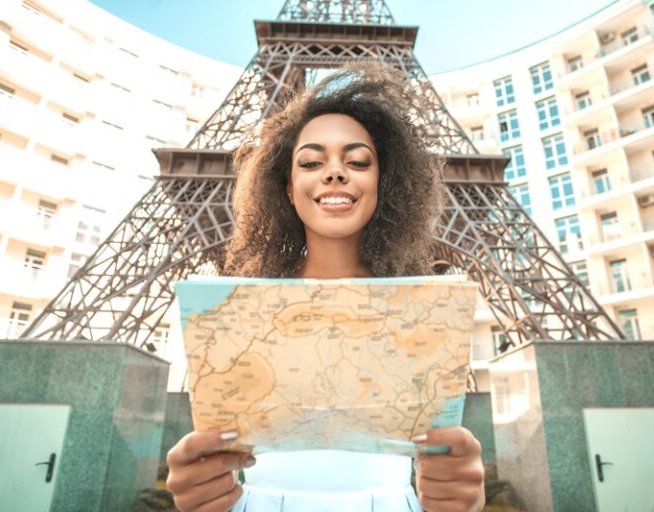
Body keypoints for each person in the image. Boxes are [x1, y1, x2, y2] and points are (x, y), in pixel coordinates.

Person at [166, 63, 485, 512]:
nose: (335, 173)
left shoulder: (421, 310)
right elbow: (221, 443)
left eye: (357, 161)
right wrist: (204, 491)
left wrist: (460, 498)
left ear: (381, 185)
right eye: (312, 162)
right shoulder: (242, 310)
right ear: (290, 190)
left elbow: (438, 453)